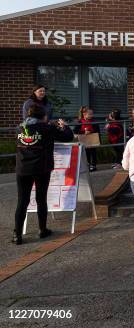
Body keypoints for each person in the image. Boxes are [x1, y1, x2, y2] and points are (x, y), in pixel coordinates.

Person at [13, 104, 73, 245]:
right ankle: (42, 230)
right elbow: (67, 137)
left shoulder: (19, 127)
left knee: (22, 201)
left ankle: (17, 234)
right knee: (41, 199)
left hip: (22, 168)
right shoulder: (47, 128)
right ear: (43, 116)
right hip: (41, 168)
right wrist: (64, 126)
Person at [75, 106, 100, 172]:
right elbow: (75, 131)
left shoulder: (94, 121)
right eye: (90, 114)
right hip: (84, 140)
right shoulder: (80, 121)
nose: (92, 115)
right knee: (86, 154)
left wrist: (98, 139)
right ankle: (87, 165)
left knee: (93, 153)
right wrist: (84, 132)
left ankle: (93, 165)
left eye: (92, 114)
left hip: (92, 139)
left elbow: (97, 131)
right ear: (84, 114)